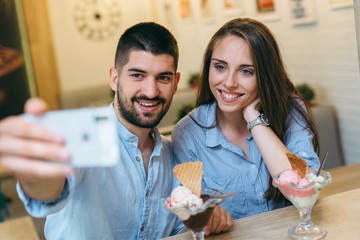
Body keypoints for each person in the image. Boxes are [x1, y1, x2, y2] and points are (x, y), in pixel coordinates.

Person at [0, 22, 231, 239]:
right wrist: (38, 175)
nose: (150, 91)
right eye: (137, 75)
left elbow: (182, 224)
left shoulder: (174, 157)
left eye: (163, 78)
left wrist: (206, 219)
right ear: (114, 78)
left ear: (176, 82)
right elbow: (50, 188)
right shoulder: (86, 140)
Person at [171, 18, 320, 220]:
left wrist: (254, 119)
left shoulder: (291, 110)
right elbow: (192, 215)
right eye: (220, 67)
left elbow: (304, 192)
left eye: (246, 71)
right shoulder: (188, 134)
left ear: (265, 76)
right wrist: (208, 218)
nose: (229, 82)